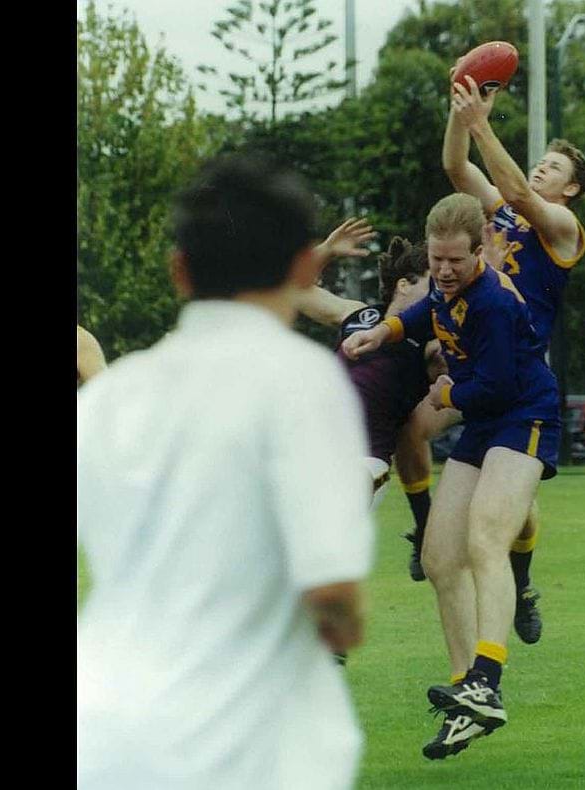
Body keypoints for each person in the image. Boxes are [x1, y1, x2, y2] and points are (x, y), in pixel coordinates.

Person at [76, 154, 375, 789]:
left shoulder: (111, 395)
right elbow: (333, 594)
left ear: (178, 270)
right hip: (245, 748)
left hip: (100, 739)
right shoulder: (300, 380)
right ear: (302, 265)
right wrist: (342, 625)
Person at [343, 193, 562, 760]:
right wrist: (382, 332)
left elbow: (495, 387)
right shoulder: (446, 288)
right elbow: (422, 313)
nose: (442, 272)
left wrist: (445, 393)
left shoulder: (490, 300)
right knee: (441, 558)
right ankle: (468, 697)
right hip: (488, 422)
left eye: (455, 262)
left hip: (523, 414)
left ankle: (487, 678)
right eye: (436, 260)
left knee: (485, 538)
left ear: (479, 253)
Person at [439, 71, 585, 644]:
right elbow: (459, 169)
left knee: (507, 507)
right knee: (419, 420)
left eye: (554, 167)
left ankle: (520, 581)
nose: (540, 168)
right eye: (541, 161)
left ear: (571, 189)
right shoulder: (503, 212)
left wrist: (483, 121)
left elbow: (521, 194)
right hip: (472, 361)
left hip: (520, 371)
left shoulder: (562, 227)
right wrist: (461, 112)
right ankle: (421, 526)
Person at [297, 231, 446, 578]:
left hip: (366, 465)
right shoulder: (358, 315)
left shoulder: (429, 343)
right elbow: (292, 290)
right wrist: (325, 252)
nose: (441, 295)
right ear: (404, 285)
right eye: (433, 284)